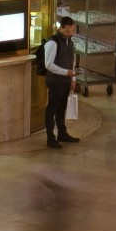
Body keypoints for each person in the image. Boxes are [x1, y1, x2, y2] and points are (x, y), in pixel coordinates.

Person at [41, 15, 83, 148]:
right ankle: (50, 138)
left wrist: (73, 78)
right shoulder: (53, 43)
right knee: (52, 110)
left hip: (65, 81)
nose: (70, 33)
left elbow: (72, 61)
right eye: (67, 31)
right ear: (61, 29)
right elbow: (49, 64)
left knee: (61, 109)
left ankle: (62, 133)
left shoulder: (70, 41)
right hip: (55, 82)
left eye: (72, 31)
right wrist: (66, 73)